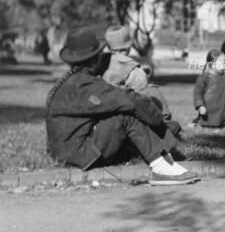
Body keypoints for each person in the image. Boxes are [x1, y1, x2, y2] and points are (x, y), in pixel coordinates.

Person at [45, 27, 198, 185]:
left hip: (64, 151)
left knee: (124, 114)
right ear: (94, 59)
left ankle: (163, 156)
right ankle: (161, 169)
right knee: (125, 116)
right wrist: (159, 122)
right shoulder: (84, 85)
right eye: (100, 55)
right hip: (77, 155)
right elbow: (130, 100)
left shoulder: (72, 81)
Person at [103, 26, 174, 121]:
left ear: (108, 46)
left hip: (101, 117)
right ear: (129, 47)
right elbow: (143, 104)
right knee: (153, 91)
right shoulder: (135, 71)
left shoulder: (96, 66)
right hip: (127, 121)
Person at [193, 49, 225, 128]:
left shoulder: (224, 77)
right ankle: (199, 122)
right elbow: (198, 93)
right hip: (209, 110)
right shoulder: (204, 77)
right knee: (209, 125)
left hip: (224, 110)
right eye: (222, 61)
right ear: (212, 64)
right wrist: (200, 105)